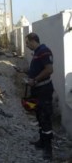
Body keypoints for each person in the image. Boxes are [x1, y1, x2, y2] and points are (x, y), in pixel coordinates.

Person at [25, 32, 54, 160]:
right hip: (37, 90)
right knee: (39, 116)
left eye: (27, 43)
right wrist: (24, 72)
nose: (26, 45)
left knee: (45, 117)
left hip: (44, 90)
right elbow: (36, 69)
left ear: (33, 40)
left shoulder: (44, 51)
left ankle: (48, 149)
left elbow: (49, 69)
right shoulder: (37, 52)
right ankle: (42, 142)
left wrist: (35, 80)